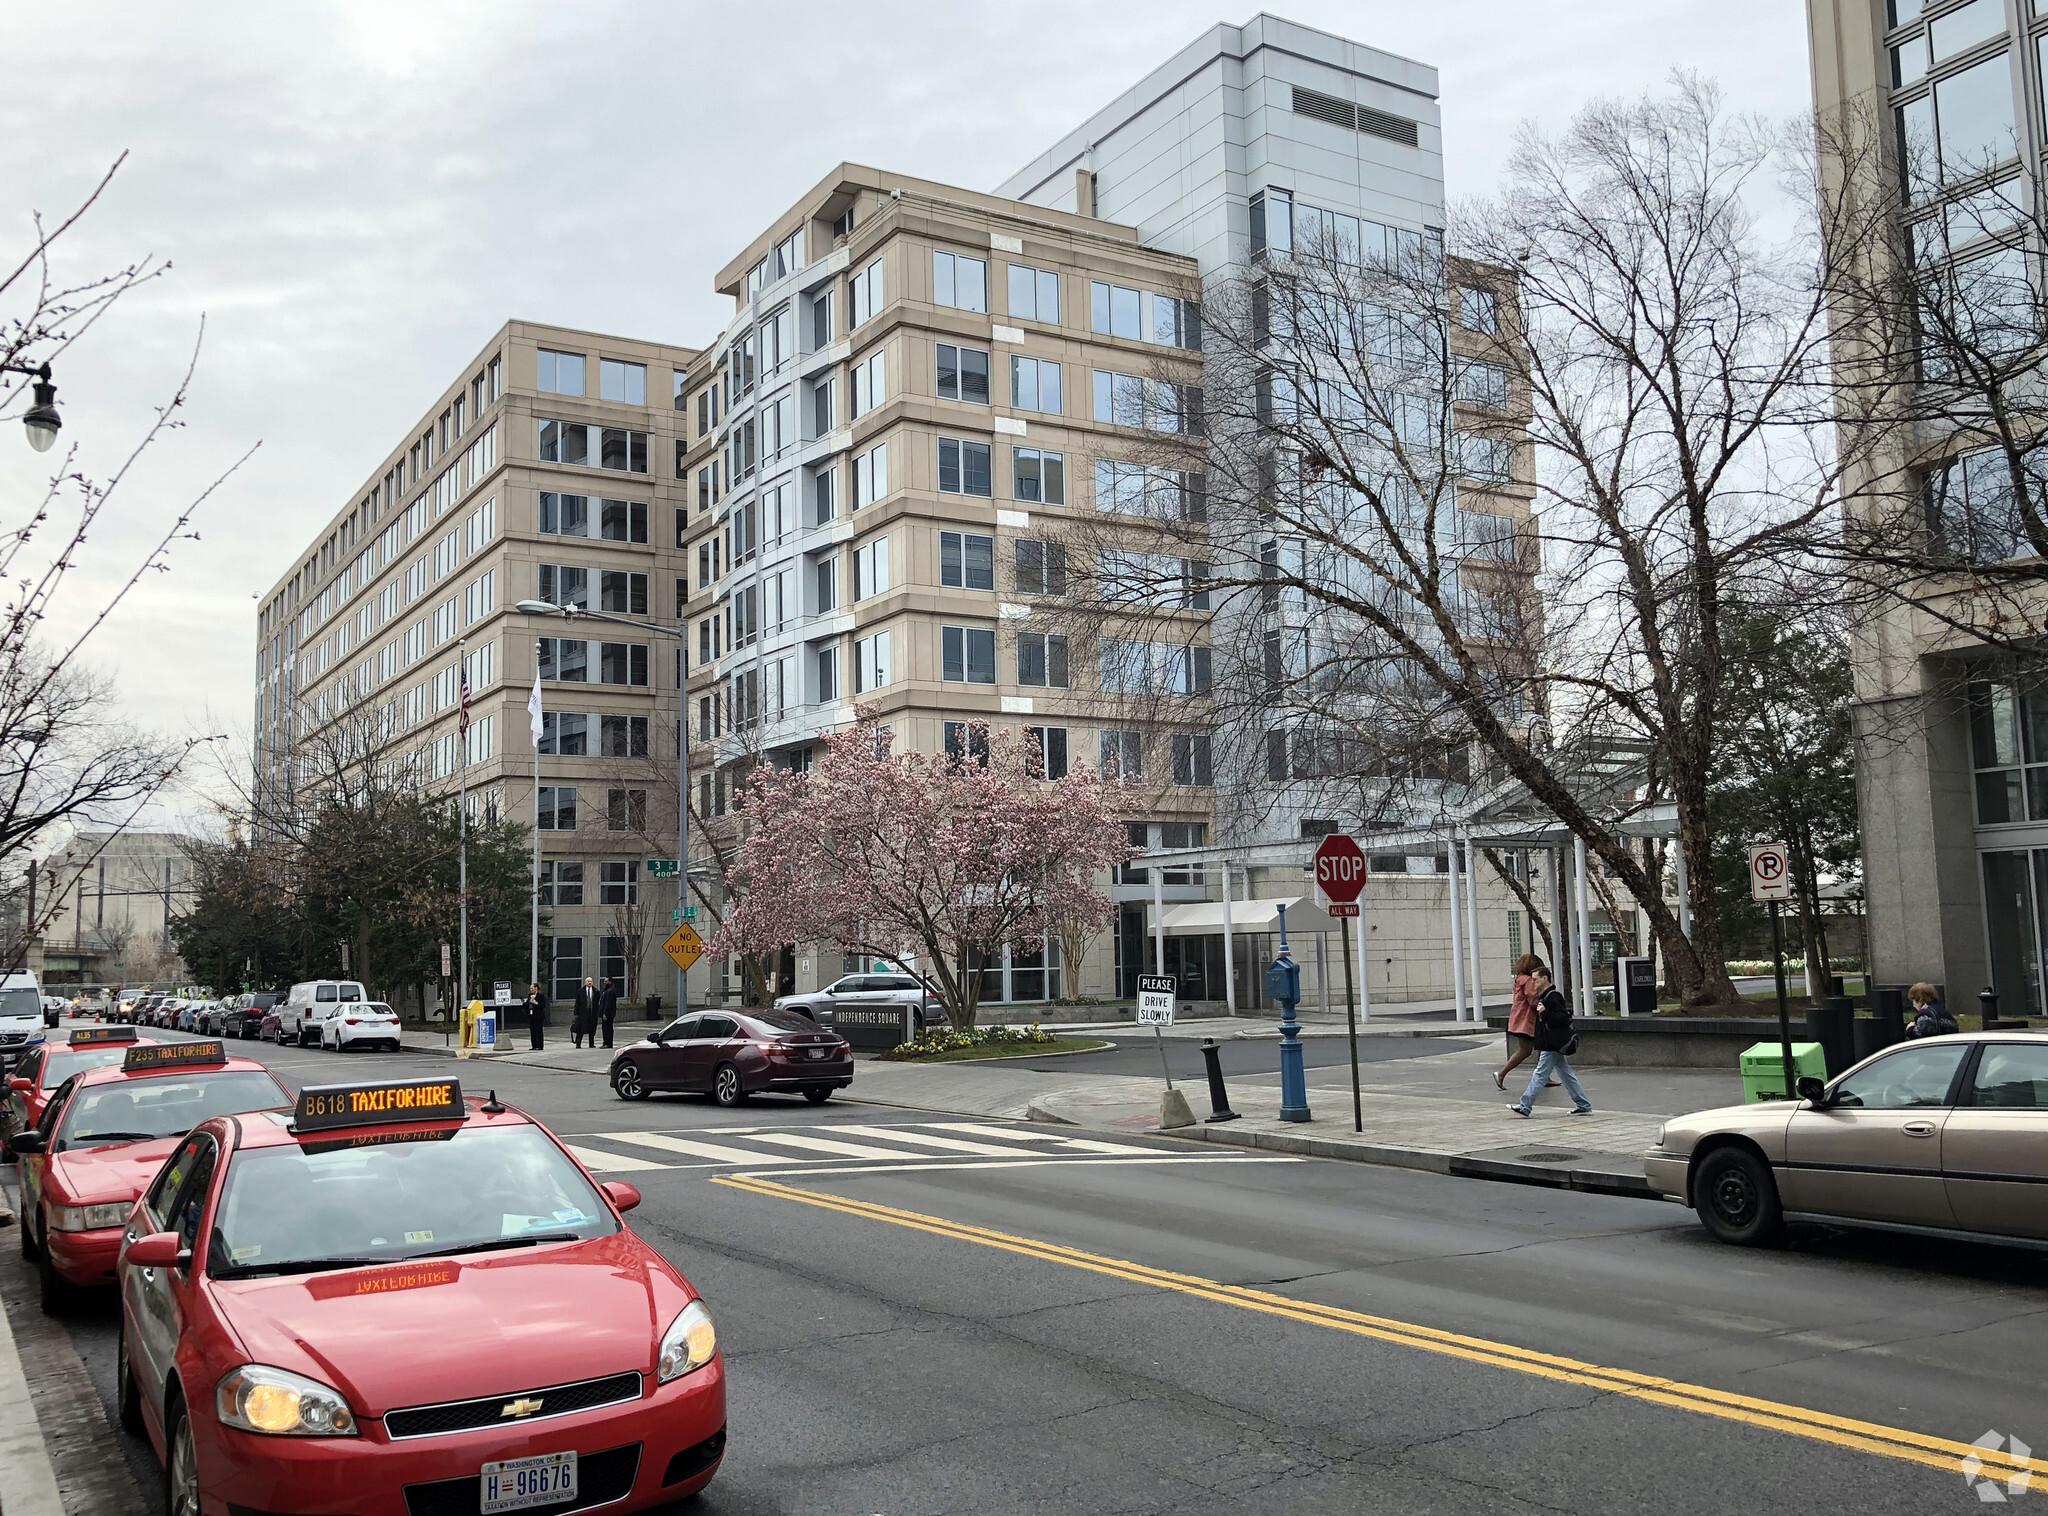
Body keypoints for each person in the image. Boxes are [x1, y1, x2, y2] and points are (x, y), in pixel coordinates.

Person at [1508, 967, 1593, 1116]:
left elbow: (1562, 1019)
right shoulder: (1545, 996)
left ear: (1545, 978)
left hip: (1552, 1043)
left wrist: (1544, 1012)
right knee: (1565, 1073)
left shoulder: (1553, 997)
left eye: (1535, 979)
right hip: (1552, 1042)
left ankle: (1525, 1106)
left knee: (1540, 1073)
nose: (1533, 983)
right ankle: (1583, 1104)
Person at [1496, 953, 1544, 1090]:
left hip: (1519, 1020)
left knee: (1540, 1047)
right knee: (1526, 1050)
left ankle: (1545, 1076)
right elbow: (1533, 999)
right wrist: (1544, 1005)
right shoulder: (1528, 981)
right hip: (1526, 1021)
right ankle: (1501, 1073)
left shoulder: (1519, 979)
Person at [572, 976, 598, 1049]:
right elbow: (577, 1003)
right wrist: (576, 1014)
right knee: (581, 1029)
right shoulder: (581, 991)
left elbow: (597, 1003)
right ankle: (578, 1043)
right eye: (588, 981)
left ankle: (591, 1044)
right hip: (583, 1013)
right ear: (585, 982)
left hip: (592, 1013)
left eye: (591, 981)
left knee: (592, 1029)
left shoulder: (596, 991)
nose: (589, 983)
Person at [524, 982, 549, 1051]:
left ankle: (539, 1045)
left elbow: (543, 1005)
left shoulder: (541, 996)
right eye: (530, 988)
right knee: (532, 1031)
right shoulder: (530, 995)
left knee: (538, 1031)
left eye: (532, 988)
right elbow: (526, 1004)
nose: (531, 990)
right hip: (531, 1015)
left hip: (538, 1016)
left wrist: (536, 1003)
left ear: (536, 988)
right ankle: (534, 1045)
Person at [597, 977, 619, 1049]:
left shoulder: (611, 991)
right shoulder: (606, 990)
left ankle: (608, 1043)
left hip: (608, 1014)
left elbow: (608, 1003)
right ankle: (605, 1042)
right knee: (605, 1028)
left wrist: (605, 1013)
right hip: (605, 1012)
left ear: (610, 982)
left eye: (606, 981)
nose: (605, 983)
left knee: (608, 1028)